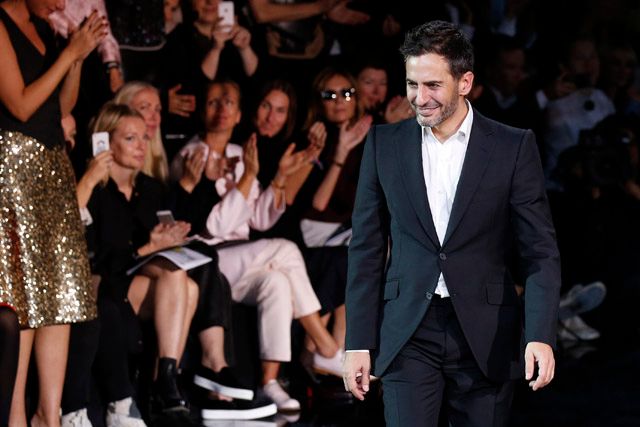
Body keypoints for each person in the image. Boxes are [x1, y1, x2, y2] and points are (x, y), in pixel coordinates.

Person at [342, 20, 561, 427]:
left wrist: (540, 333)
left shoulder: (513, 146)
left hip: (487, 333)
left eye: (432, 85)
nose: (419, 97)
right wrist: (357, 341)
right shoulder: (383, 144)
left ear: (465, 82)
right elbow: (366, 248)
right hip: (408, 330)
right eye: (412, 84)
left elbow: (540, 251)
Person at [171, 80, 344, 412]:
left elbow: (261, 220)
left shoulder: (240, 154)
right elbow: (215, 226)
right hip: (207, 261)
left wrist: (278, 177)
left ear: (239, 114)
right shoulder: (190, 155)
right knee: (286, 250)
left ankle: (269, 383)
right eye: (214, 102)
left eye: (229, 103)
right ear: (203, 111)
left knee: (277, 281)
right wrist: (249, 177)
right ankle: (325, 346)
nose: (222, 110)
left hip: (240, 259)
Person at [0, 1, 106, 425]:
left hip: (52, 164)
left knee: (60, 291)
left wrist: (76, 58)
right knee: (24, 294)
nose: (61, 4)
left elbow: (61, 107)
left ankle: (50, 413)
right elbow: (21, 105)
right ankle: (15, 415)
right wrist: (69, 54)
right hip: (15, 165)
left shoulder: (45, 30)